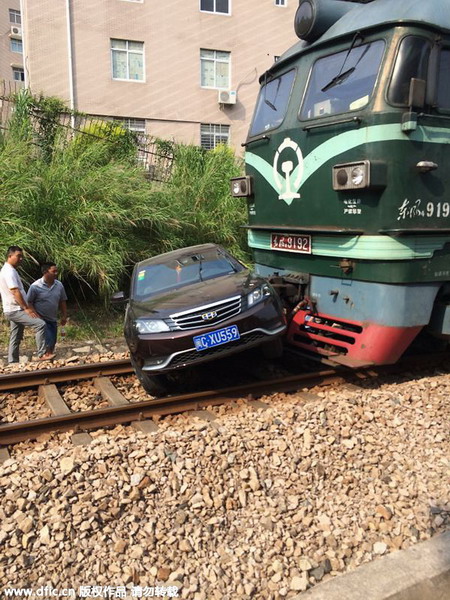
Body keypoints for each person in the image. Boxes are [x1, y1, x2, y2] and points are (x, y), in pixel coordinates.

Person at [0, 246, 50, 364]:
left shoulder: (10, 270)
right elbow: (15, 291)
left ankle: (13, 362)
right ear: (10, 256)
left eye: (22, 256)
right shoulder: (8, 271)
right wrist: (26, 308)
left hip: (13, 308)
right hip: (15, 309)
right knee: (40, 324)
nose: (21, 259)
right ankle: (42, 354)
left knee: (16, 336)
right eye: (18, 256)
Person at [27, 262, 68, 356]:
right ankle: (44, 359)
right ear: (45, 272)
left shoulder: (59, 285)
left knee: (52, 342)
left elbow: (62, 301)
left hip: (53, 319)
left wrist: (64, 315)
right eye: (54, 271)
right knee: (47, 343)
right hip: (41, 319)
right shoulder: (35, 286)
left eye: (57, 271)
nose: (56, 273)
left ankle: (49, 363)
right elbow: (29, 302)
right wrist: (33, 313)